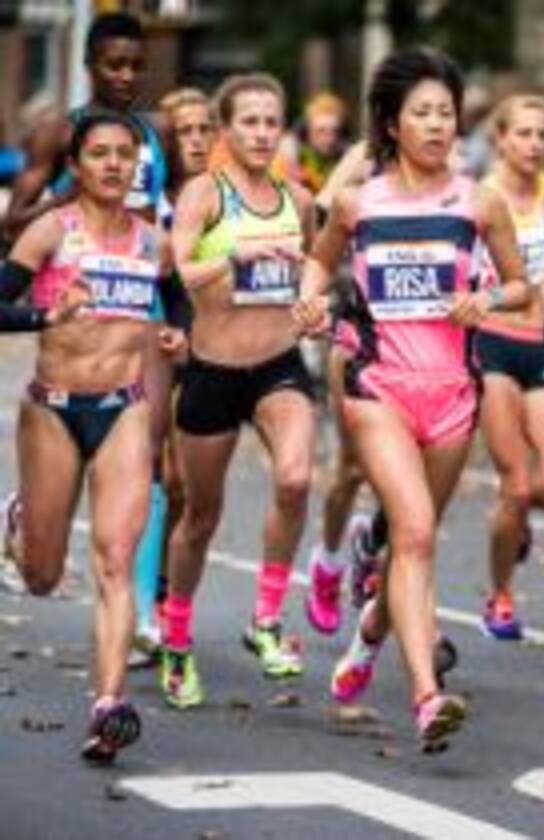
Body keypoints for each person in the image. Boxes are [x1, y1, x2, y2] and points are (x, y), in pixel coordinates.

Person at [295, 47, 531, 752]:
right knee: (417, 531)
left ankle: (371, 632)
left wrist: (487, 300)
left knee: (409, 542)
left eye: (446, 113)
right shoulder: (357, 201)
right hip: (378, 386)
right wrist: (310, 302)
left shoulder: (479, 201)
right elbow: (318, 263)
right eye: (421, 113)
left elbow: (524, 287)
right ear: (392, 124)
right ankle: (428, 698)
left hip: (453, 393)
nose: (436, 124)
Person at [1, 110, 185, 763]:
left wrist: (178, 332)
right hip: (53, 409)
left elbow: (179, 302)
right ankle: (18, 519)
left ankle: (108, 706)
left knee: (114, 559)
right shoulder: (52, 231)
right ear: (76, 165)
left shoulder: (154, 242)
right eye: (100, 153)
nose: (113, 165)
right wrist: (46, 315)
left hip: (123, 409)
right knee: (43, 576)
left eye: (124, 154)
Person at [161, 73, 315, 709]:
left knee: (296, 479)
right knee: (200, 519)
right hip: (213, 371)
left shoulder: (298, 200)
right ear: (227, 130)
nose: (261, 133)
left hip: (279, 364)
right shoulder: (205, 193)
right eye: (248, 122)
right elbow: (180, 270)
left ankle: (267, 620)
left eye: (271, 122)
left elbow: (315, 270)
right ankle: (176, 640)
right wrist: (237, 258)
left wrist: (315, 305)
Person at [472, 93, 544, 639]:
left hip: (543, 345)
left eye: (542, 134)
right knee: (515, 486)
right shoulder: (477, 199)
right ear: (500, 139)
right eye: (523, 133)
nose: (535, 144)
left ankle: (510, 520)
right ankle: (500, 596)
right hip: (491, 344)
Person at [126, 88, 215, 664]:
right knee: (152, 472)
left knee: (184, 487)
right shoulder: (149, 203)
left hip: (210, 349)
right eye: (185, 131)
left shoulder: (226, 196)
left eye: (206, 129)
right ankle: (141, 612)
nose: (197, 141)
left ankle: (159, 597)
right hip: (154, 343)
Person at [3, 12, 169, 240]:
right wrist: (74, 196)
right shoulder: (59, 133)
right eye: (115, 66)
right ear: (89, 65)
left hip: (140, 261)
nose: (128, 76)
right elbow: (12, 227)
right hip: (75, 259)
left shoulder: (159, 132)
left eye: (137, 66)